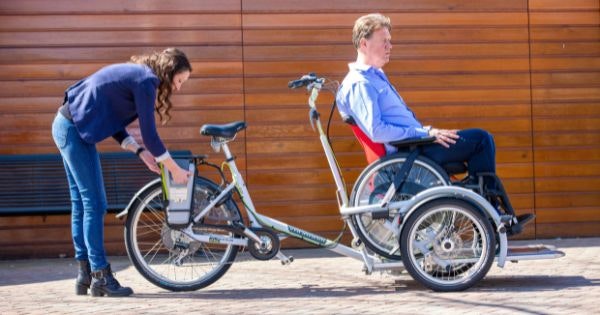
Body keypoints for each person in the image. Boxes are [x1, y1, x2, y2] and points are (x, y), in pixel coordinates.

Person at [336, 13, 533, 227]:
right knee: (480, 140)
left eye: (390, 41)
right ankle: (488, 213)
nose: (390, 46)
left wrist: (429, 132)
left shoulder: (374, 76)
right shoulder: (360, 83)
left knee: (480, 141)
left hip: (416, 146)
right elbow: (377, 130)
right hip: (408, 155)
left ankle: (488, 211)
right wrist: (427, 133)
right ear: (364, 44)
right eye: (384, 41)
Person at [51, 48, 192, 297]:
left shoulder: (139, 75)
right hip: (72, 132)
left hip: (66, 126)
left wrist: (140, 152)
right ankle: (100, 276)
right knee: (94, 205)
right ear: (169, 73)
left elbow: (112, 120)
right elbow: (150, 134)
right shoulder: (146, 80)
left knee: (82, 205)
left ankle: (86, 275)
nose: (178, 88)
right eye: (179, 81)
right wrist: (175, 170)